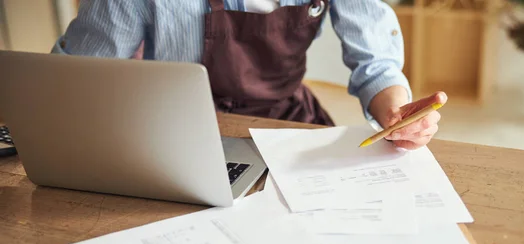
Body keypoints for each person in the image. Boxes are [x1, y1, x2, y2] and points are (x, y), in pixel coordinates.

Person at [52, 0, 447, 150]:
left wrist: (398, 117)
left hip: (290, 123)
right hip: (174, 132)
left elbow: (375, 64)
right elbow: (77, 80)